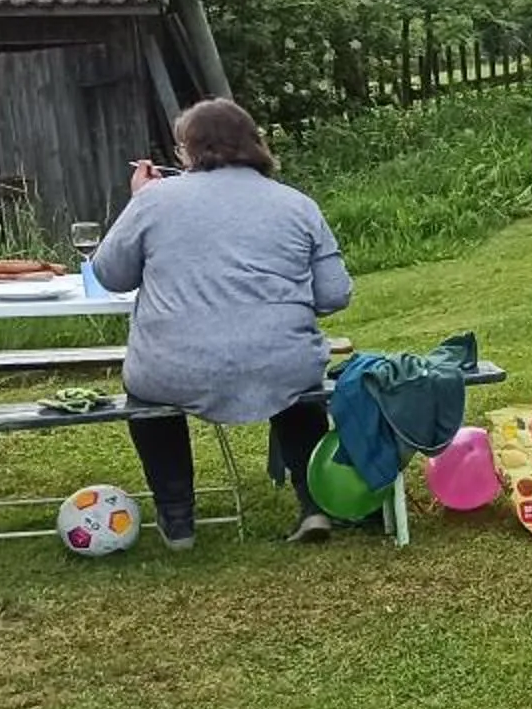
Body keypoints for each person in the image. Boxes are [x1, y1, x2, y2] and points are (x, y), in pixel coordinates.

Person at [89, 98, 354, 549]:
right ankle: (314, 505)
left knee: (147, 396)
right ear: (256, 144)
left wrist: (137, 200)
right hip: (281, 361)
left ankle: (178, 521)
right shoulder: (298, 205)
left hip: (173, 367)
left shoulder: (153, 201)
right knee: (295, 378)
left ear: (188, 151)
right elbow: (334, 294)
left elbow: (109, 275)